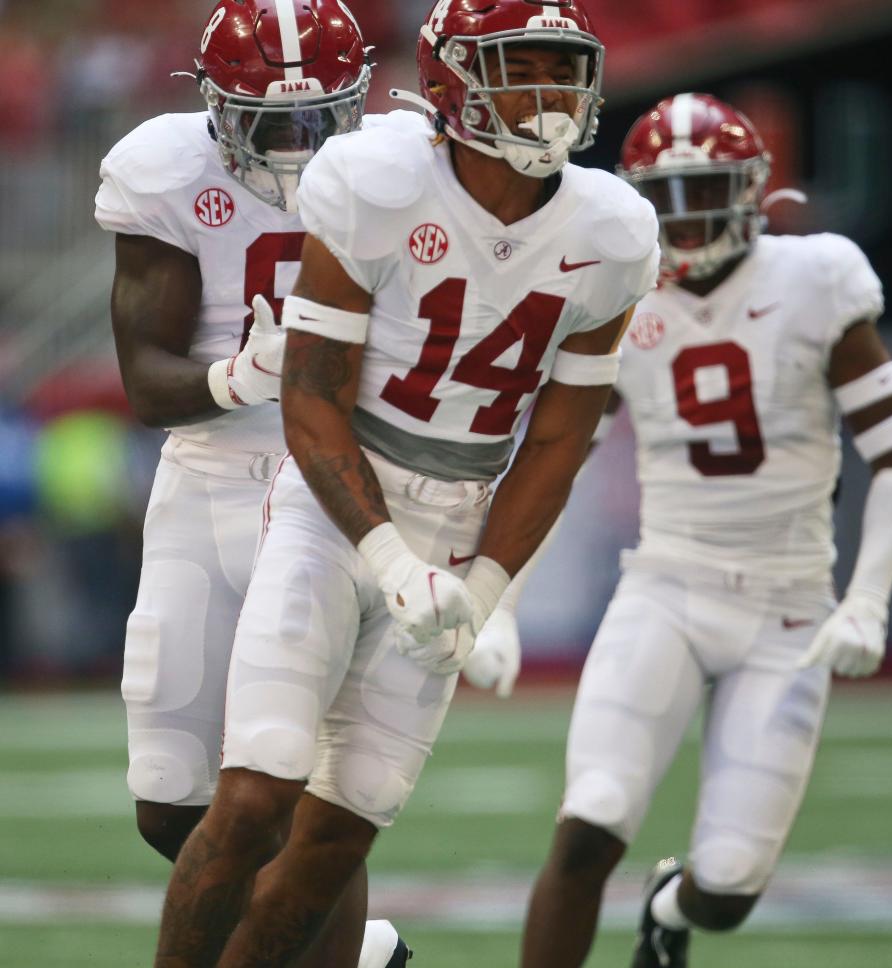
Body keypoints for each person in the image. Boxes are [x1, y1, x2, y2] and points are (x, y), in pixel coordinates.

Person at [151, 1, 661, 965]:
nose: (552, 92)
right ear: (451, 82)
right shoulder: (378, 182)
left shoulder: (614, 230)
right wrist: (385, 555)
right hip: (335, 506)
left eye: (565, 67)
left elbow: (558, 438)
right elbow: (311, 399)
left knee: (340, 836)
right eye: (523, 67)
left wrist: (485, 590)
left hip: (462, 515)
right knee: (257, 796)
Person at [520, 92, 892, 968]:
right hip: (665, 586)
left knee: (731, 888)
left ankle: (673, 903)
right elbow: (559, 459)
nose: (684, 215)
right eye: (665, 195)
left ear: (749, 191)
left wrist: (867, 601)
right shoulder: (617, 291)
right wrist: (495, 593)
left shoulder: (814, 277)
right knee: (590, 818)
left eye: (704, 189)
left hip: (788, 608)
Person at [95, 2, 409, 965]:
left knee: (299, 793)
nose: (295, 144)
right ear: (210, 106)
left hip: (329, 485)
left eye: (317, 118)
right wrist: (240, 375)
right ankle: (364, 954)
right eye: (266, 120)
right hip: (209, 477)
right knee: (169, 801)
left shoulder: (412, 171)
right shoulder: (166, 169)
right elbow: (146, 380)